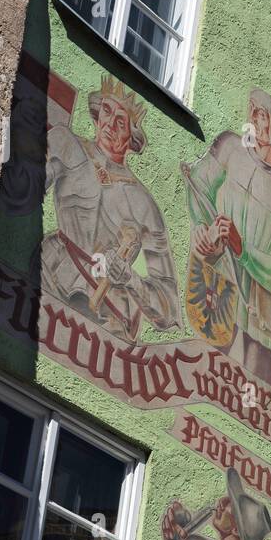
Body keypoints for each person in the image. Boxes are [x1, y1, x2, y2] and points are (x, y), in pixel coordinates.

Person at [40, 74, 181, 341]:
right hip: (50, 273)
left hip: (105, 316)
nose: (110, 125)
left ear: (132, 137)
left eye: (121, 121)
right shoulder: (67, 144)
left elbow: (168, 308)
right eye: (106, 110)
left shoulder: (144, 204)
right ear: (96, 113)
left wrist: (130, 278)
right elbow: (21, 190)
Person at [182, 88, 271, 386]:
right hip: (218, 295)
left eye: (259, 115)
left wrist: (244, 249)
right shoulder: (230, 148)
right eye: (251, 112)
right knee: (202, 377)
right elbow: (198, 185)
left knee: (250, 398)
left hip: (263, 326)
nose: (251, 120)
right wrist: (202, 227)